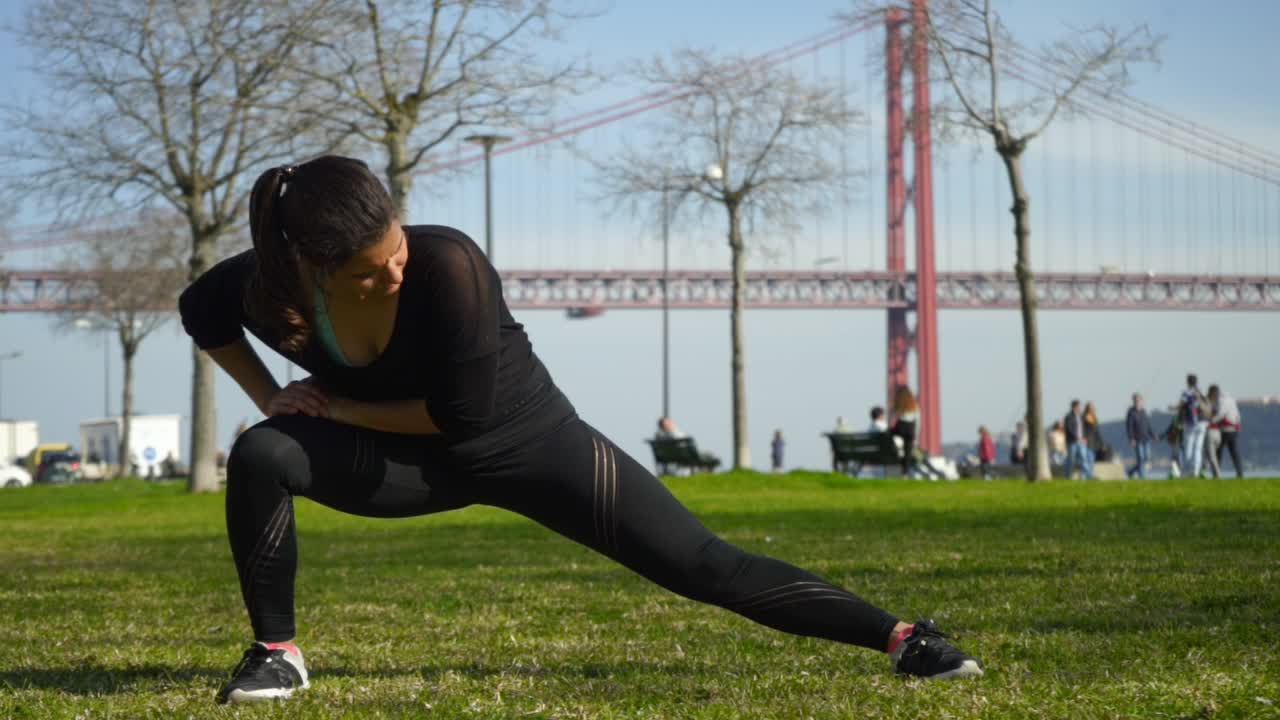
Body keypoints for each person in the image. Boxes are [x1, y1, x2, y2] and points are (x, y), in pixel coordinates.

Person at [177, 157, 982, 703]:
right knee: (264, 452)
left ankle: (904, 638)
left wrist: (337, 406)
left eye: (395, 248)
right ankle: (277, 655)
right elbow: (200, 312)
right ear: (314, 267)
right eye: (370, 270)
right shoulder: (267, 289)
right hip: (399, 464)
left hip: (524, 441)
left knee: (704, 563)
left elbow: (462, 416)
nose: (395, 270)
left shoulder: (449, 264)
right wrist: (272, 398)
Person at [1176, 374, 1210, 478]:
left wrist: (1175, 409)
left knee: (1188, 448)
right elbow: (1207, 403)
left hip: (1190, 422)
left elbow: (1181, 405)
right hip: (1203, 422)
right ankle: (1195, 471)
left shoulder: (1186, 392)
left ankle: (1186, 471)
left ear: (1187, 382)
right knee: (1198, 448)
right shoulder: (1200, 392)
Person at [1207, 385, 1243, 478]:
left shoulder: (1222, 400)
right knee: (1234, 453)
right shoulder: (1231, 400)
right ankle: (1239, 472)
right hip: (1233, 429)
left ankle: (1216, 473)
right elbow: (1238, 416)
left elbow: (1221, 414)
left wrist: (1211, 421)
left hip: (1225, 429)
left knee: (1219, 452)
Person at [1124, 393, 1155, 479]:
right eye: (1135, 400)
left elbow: (1148, 425)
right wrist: (1131, 439)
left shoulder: (1144, 412)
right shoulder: (1131, 412)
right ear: (1133, 401)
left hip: (1146, 438)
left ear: (1142, 401)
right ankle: (1142, 477)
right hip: (1137, 440)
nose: (1137, 402)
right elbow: (1129, 427)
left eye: (1139, 400)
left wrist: (1153, 435)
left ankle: (1131, 472)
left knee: (1147, 458)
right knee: (1140, 458)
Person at [1063, 400, 1093, 480]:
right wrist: (1076, 436)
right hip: (1072, 442)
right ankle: (1068, 476)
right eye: (1078, 406)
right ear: (1074, 407)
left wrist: (1084, 437)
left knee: (1083, 458)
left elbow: (1085, 428)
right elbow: (1069, 428)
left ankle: (1087, 476)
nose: (1079, 408)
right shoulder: (1068, 416)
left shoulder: (1081, 417)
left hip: (1081, 441)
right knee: (1071, 459)